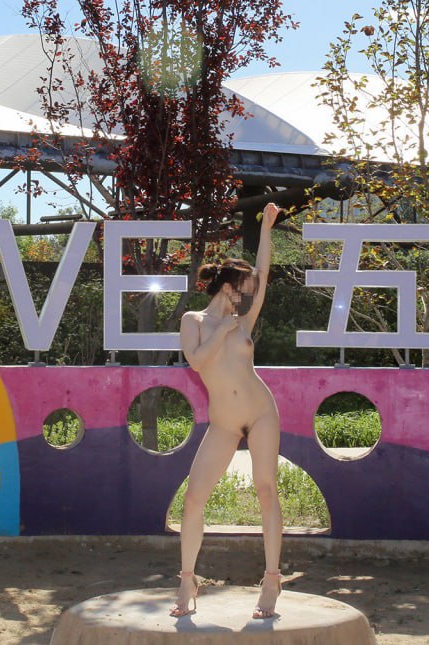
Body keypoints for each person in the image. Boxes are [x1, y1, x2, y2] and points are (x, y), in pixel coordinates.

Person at [171, 201, 283, 619]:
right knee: (193, 498)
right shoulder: (194, 321)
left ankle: (271, 580)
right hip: (223, 422)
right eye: (242, 288)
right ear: (227, 287)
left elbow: (264, 273)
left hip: (261, 412)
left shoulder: (245, 319)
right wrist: (222, 330)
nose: (248, 294)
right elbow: (198, 362)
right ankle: (187, 580)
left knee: (266, 489)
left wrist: (267, 229)